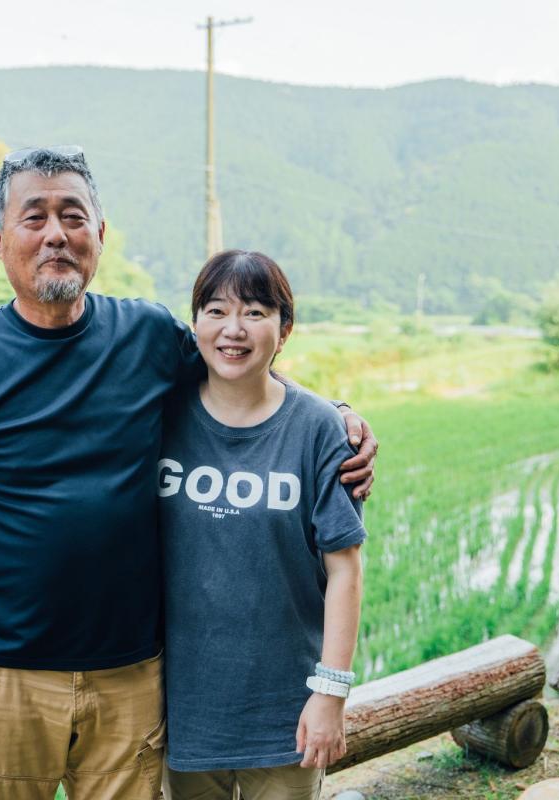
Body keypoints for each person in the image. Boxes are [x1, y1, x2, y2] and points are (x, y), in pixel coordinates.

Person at [0, 146, 376, 800]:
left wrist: (333, 415)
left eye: (73, 216)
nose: (56, 233)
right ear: (0, 238)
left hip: (131, 678)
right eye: (35, 218)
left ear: (100, 235)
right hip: (4, 676)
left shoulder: (145, 334)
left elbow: (234, 363)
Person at [158, 250, 364, 799]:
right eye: (216, 310)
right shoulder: (159, 414)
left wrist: (331, 693)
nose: (233, 329)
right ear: (195, 322)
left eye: (254, 312)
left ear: (284, 328)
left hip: (285, 713)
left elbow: (344, 571)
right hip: (180, 709)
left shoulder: (319, 428)